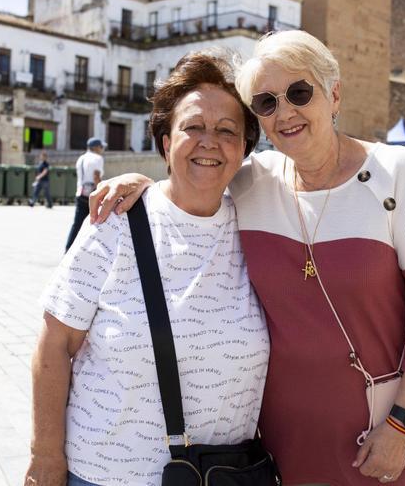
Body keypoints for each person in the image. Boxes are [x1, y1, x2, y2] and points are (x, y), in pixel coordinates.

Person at [89, 30, 405, 486]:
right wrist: (140, 183)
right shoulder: (255, 182)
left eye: (299, 93)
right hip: (282, 444)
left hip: (382, 432)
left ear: (334, 94)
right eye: (266, 103)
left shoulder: (395, 174)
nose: (284, 112)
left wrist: (402, 422)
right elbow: (196, 174)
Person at [26, 53, 268, 486]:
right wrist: (45, 457)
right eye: (192, 127)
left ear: (244, 150)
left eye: (227, 130)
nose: (209, 141)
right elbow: (54, 344)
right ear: (165, 142)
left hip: (222, 476)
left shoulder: (260, 225)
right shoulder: (115, 221)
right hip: (105, 476)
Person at [64, 138, 105, 251]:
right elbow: (96, 177)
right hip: (92, 195)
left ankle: (68, 249)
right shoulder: (97, 158)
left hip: (80, 193)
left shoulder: (81, 158)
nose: (102, 149)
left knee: (77, 224)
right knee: (98, 223)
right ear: (95, 147)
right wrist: (103, 191)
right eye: (101, 147)